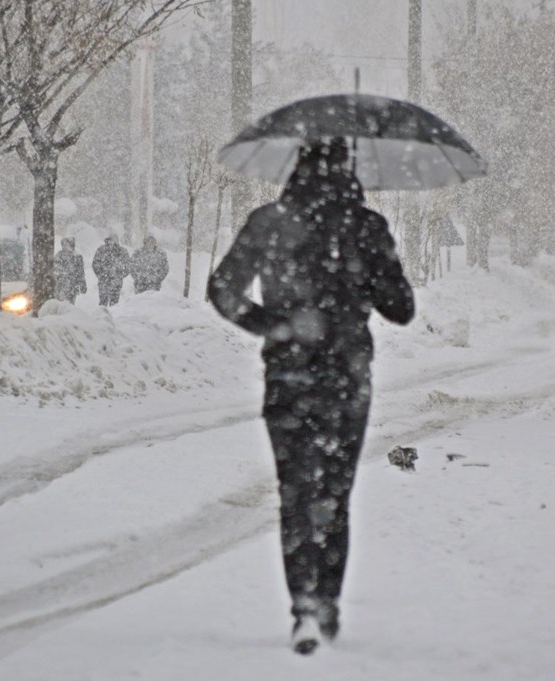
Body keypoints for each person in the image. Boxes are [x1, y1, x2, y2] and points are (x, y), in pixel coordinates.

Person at [208, 137, 415, 655]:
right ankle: (327, 603)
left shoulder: (270, 221)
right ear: (349, 166)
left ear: (297, 163)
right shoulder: (367, 227)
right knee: (334, 494)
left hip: (289, 377)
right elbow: (402, 309)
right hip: (347, 378)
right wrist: (366, 281)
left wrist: (275, 326)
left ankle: (302, 603)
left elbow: (223, 290)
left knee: (296, 493)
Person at [91, 234, 130, 306]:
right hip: (103, 281)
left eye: (113, 240)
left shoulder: (122, 251)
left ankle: (114, 316)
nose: (111, 242)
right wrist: (101, 275)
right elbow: (95, 264)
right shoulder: (101, 250)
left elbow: (128, 266)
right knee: (103, 302)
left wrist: (120, 275)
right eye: (109, 240)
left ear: (117, 241)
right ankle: (102, 316)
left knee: (114, 303)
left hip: (116, 282)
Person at [53, 237, 86, 304]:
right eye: (64, 244)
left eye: (68, 244)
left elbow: (81, 271)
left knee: (70, 303)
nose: (66, 246)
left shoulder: (77, 256)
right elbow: (55, 269)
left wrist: (82, 284)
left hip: (73, 285)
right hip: (61, 285)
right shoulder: (59, 255)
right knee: (60, 302)